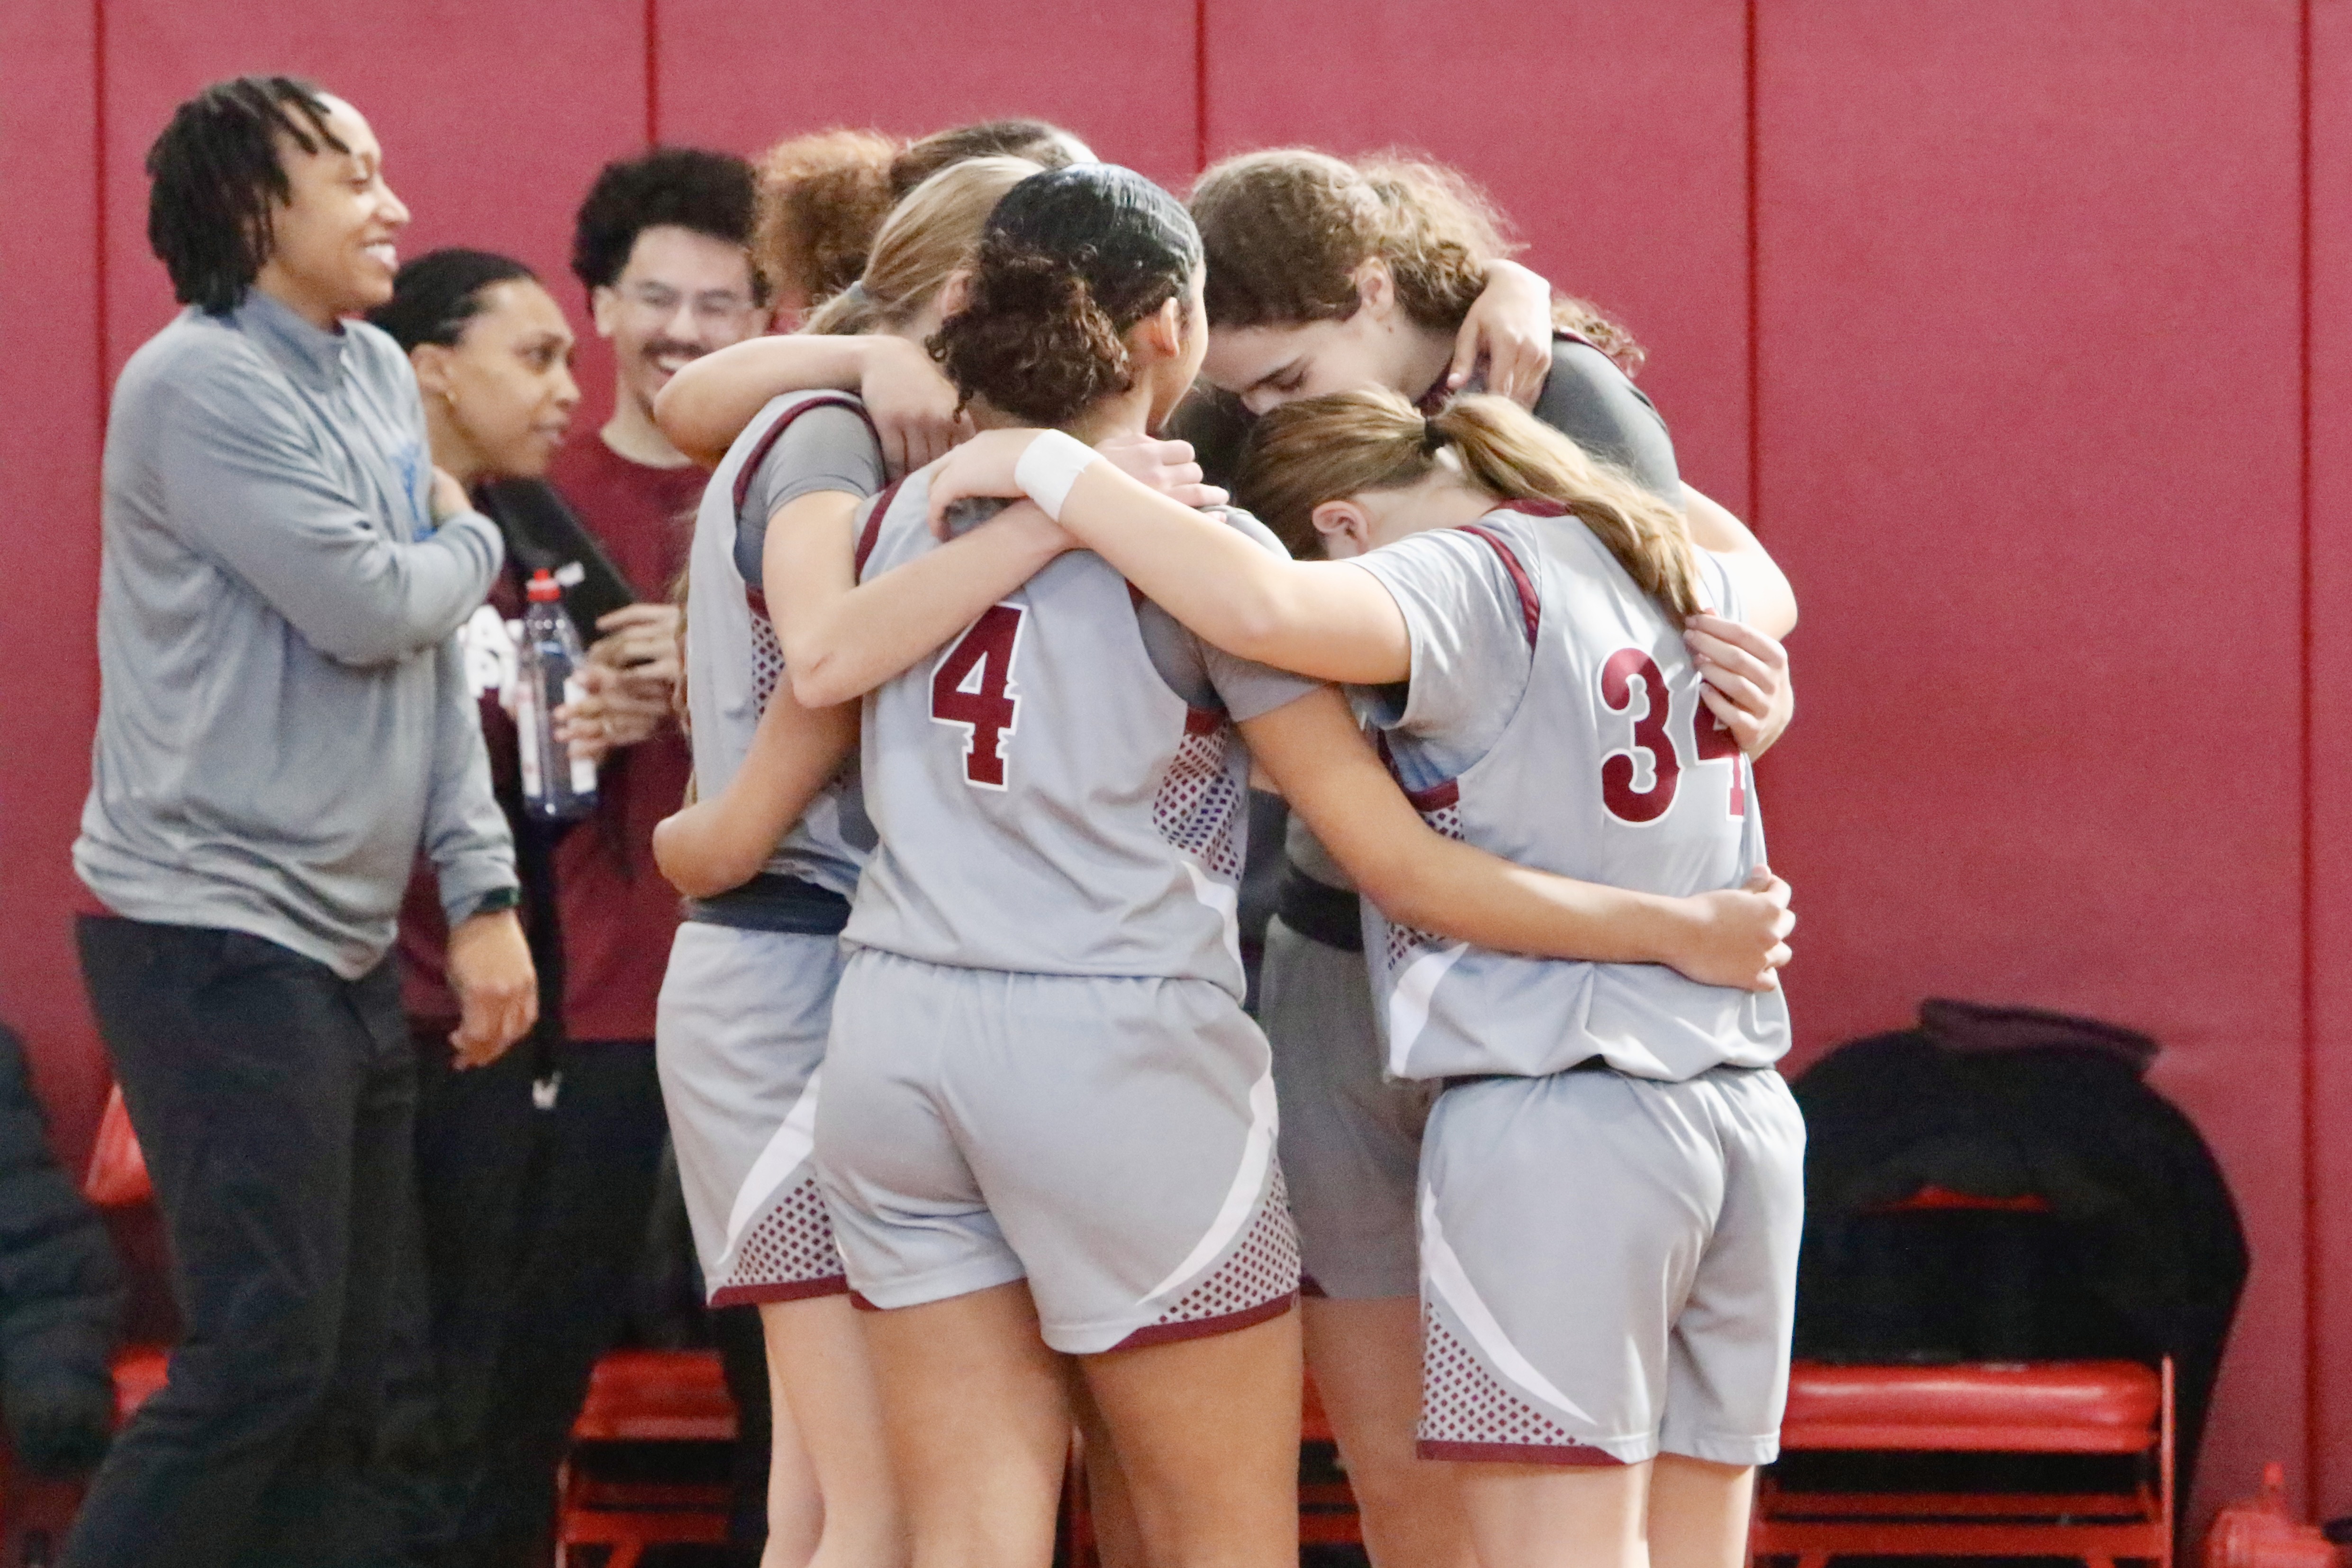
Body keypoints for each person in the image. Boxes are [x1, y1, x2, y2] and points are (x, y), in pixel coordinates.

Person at [682, 163, 1789, 1568]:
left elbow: (789, 693)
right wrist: (1676, 922)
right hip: (1115, 1033)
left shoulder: (895, 519)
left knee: (957, 1526)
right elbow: (1390, 850)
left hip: (895, 1031)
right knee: (1220, 1534)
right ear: (1171, 332)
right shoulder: (1205, 545)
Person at [924, 384, 1802, 1568]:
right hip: (1741, 1109)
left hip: (1559, 1111)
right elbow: (1759, 575)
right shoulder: (1643, 540)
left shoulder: (1456, 577)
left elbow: (1257, 603)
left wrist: (1046, 464)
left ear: (1343, 525)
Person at [1160, 146, 1797, 1568]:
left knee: (1556, 1507)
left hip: (1554, 1010)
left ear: (1380, 292)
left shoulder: (1551, 397)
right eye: (1247, 390)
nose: (1257, 414)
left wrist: (1757, 656)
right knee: (1411, 1481)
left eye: (1289, 379)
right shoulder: (1247, 413)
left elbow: (1698, 575)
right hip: (1359, 963)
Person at [66, 76, 534, 1568]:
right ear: (255, 209)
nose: (392, 205)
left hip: (330, 945)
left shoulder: (381, 377)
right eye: (354, 177)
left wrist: (479, 891)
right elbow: (360, 606)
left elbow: (420, 658)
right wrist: (476, 528)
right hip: (207, 930)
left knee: (353, 1380)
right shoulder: (196, 383)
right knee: (266, 1351)